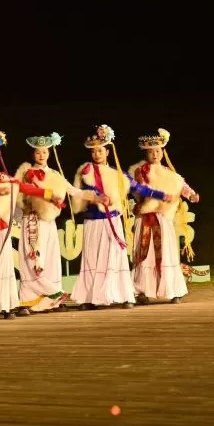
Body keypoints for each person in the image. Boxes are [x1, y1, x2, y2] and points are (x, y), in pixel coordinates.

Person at [0, 130, 63, 319]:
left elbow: (24, 187)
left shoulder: (3, 176)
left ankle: (5, 305)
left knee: (2, 266)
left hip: (0, 227)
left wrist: (50, 195)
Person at [70, 125, 169, 310]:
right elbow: (78, 195)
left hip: (112, 220)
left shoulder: (118, 174)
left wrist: (160, 195)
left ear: (107, 152)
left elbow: (138, 188)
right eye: (94, 151)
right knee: (91, 258)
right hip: (93, 219)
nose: (97, 154)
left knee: (115, 257)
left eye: (100, 150)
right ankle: (89, 298)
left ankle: (124, 295)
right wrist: (90, 198)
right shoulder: (85, 172)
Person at [14, 133, 101, 313]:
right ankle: (30, 301)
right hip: (33, 220)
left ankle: (52, 302)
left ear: (49, 154)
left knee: (51, 259)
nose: (41, 156)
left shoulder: (54, 174)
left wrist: (93, 196)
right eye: (38, 152)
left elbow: (72, 190)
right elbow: (17, 195)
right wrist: (21, 213)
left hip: (49, 222)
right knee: (33, 259)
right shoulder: (25, 173)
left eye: (44, 152)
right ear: (33, 155)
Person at [128, 128, 200, 303]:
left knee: (166, 253)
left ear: (163, 152)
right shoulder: (140, 171)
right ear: (146, 152)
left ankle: (172, 290)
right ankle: (142, 291)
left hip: (163, 218)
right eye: (151, 151)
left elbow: (180, 184)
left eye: (158, 151)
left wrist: (191, 194)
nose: (155, 154)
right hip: (145, 216)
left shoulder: (168, 171)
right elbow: (140, 191)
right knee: (145, 253)